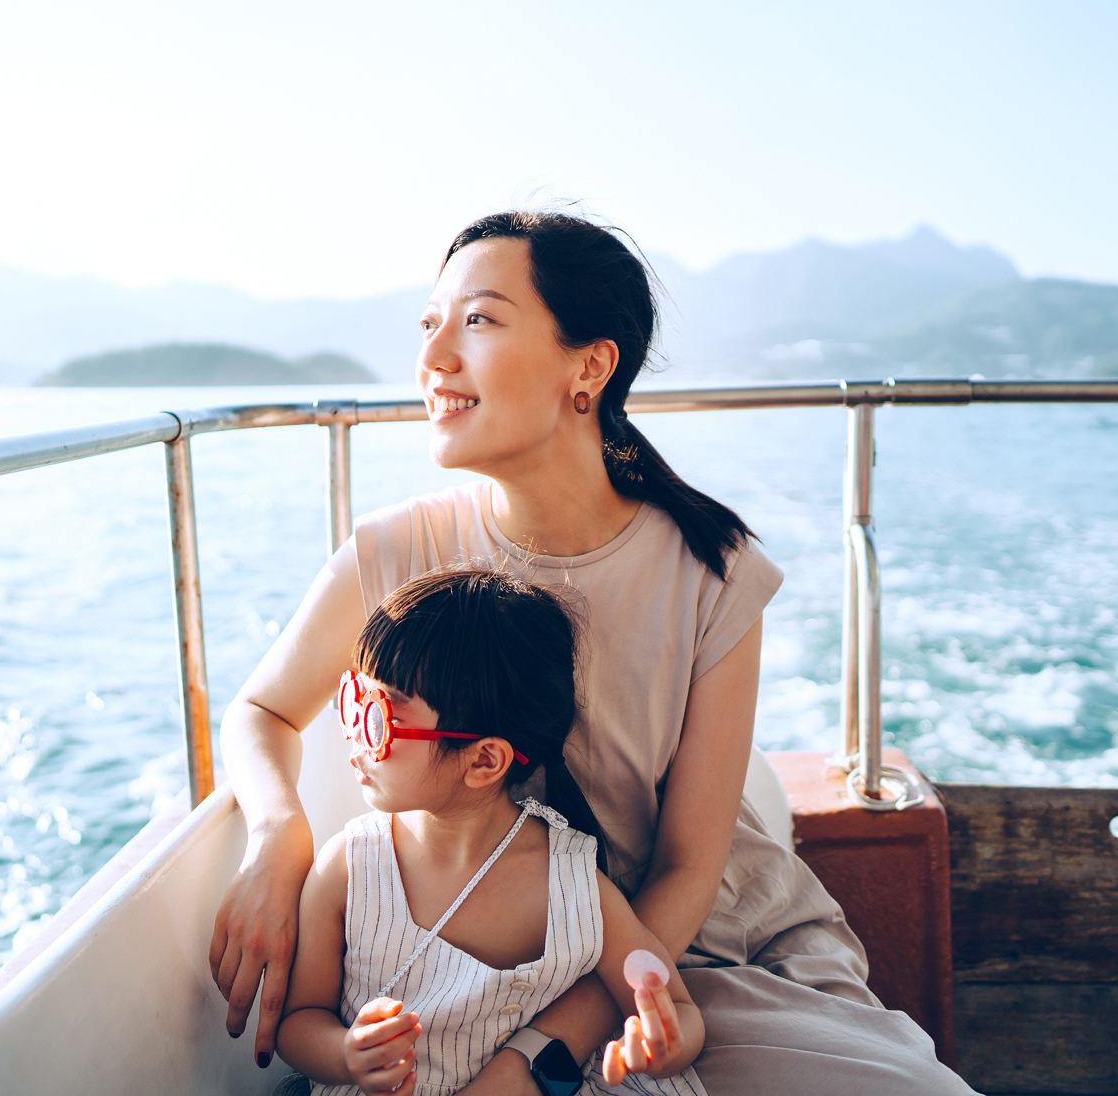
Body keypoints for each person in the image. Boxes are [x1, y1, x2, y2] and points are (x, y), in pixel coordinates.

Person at [211, 209, 975, 1094]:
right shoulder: (395, 555)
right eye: (430, 324)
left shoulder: (711, 572)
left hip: (693, 960)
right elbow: (262, 711)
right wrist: (277, 837)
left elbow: (690, 865)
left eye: (480, 320)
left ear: (590, 365)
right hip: (479, 977)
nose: (433, 359)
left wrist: (540, 1050)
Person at [276, 568, 704, 1096]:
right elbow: (298, 1021)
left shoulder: (572, 886)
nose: (355, 736)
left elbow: (680, 1011)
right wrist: (344, 1054)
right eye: (354, 700)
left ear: (483, 760)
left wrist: (660, 1043)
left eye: (380, 718)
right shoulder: (347, 867)